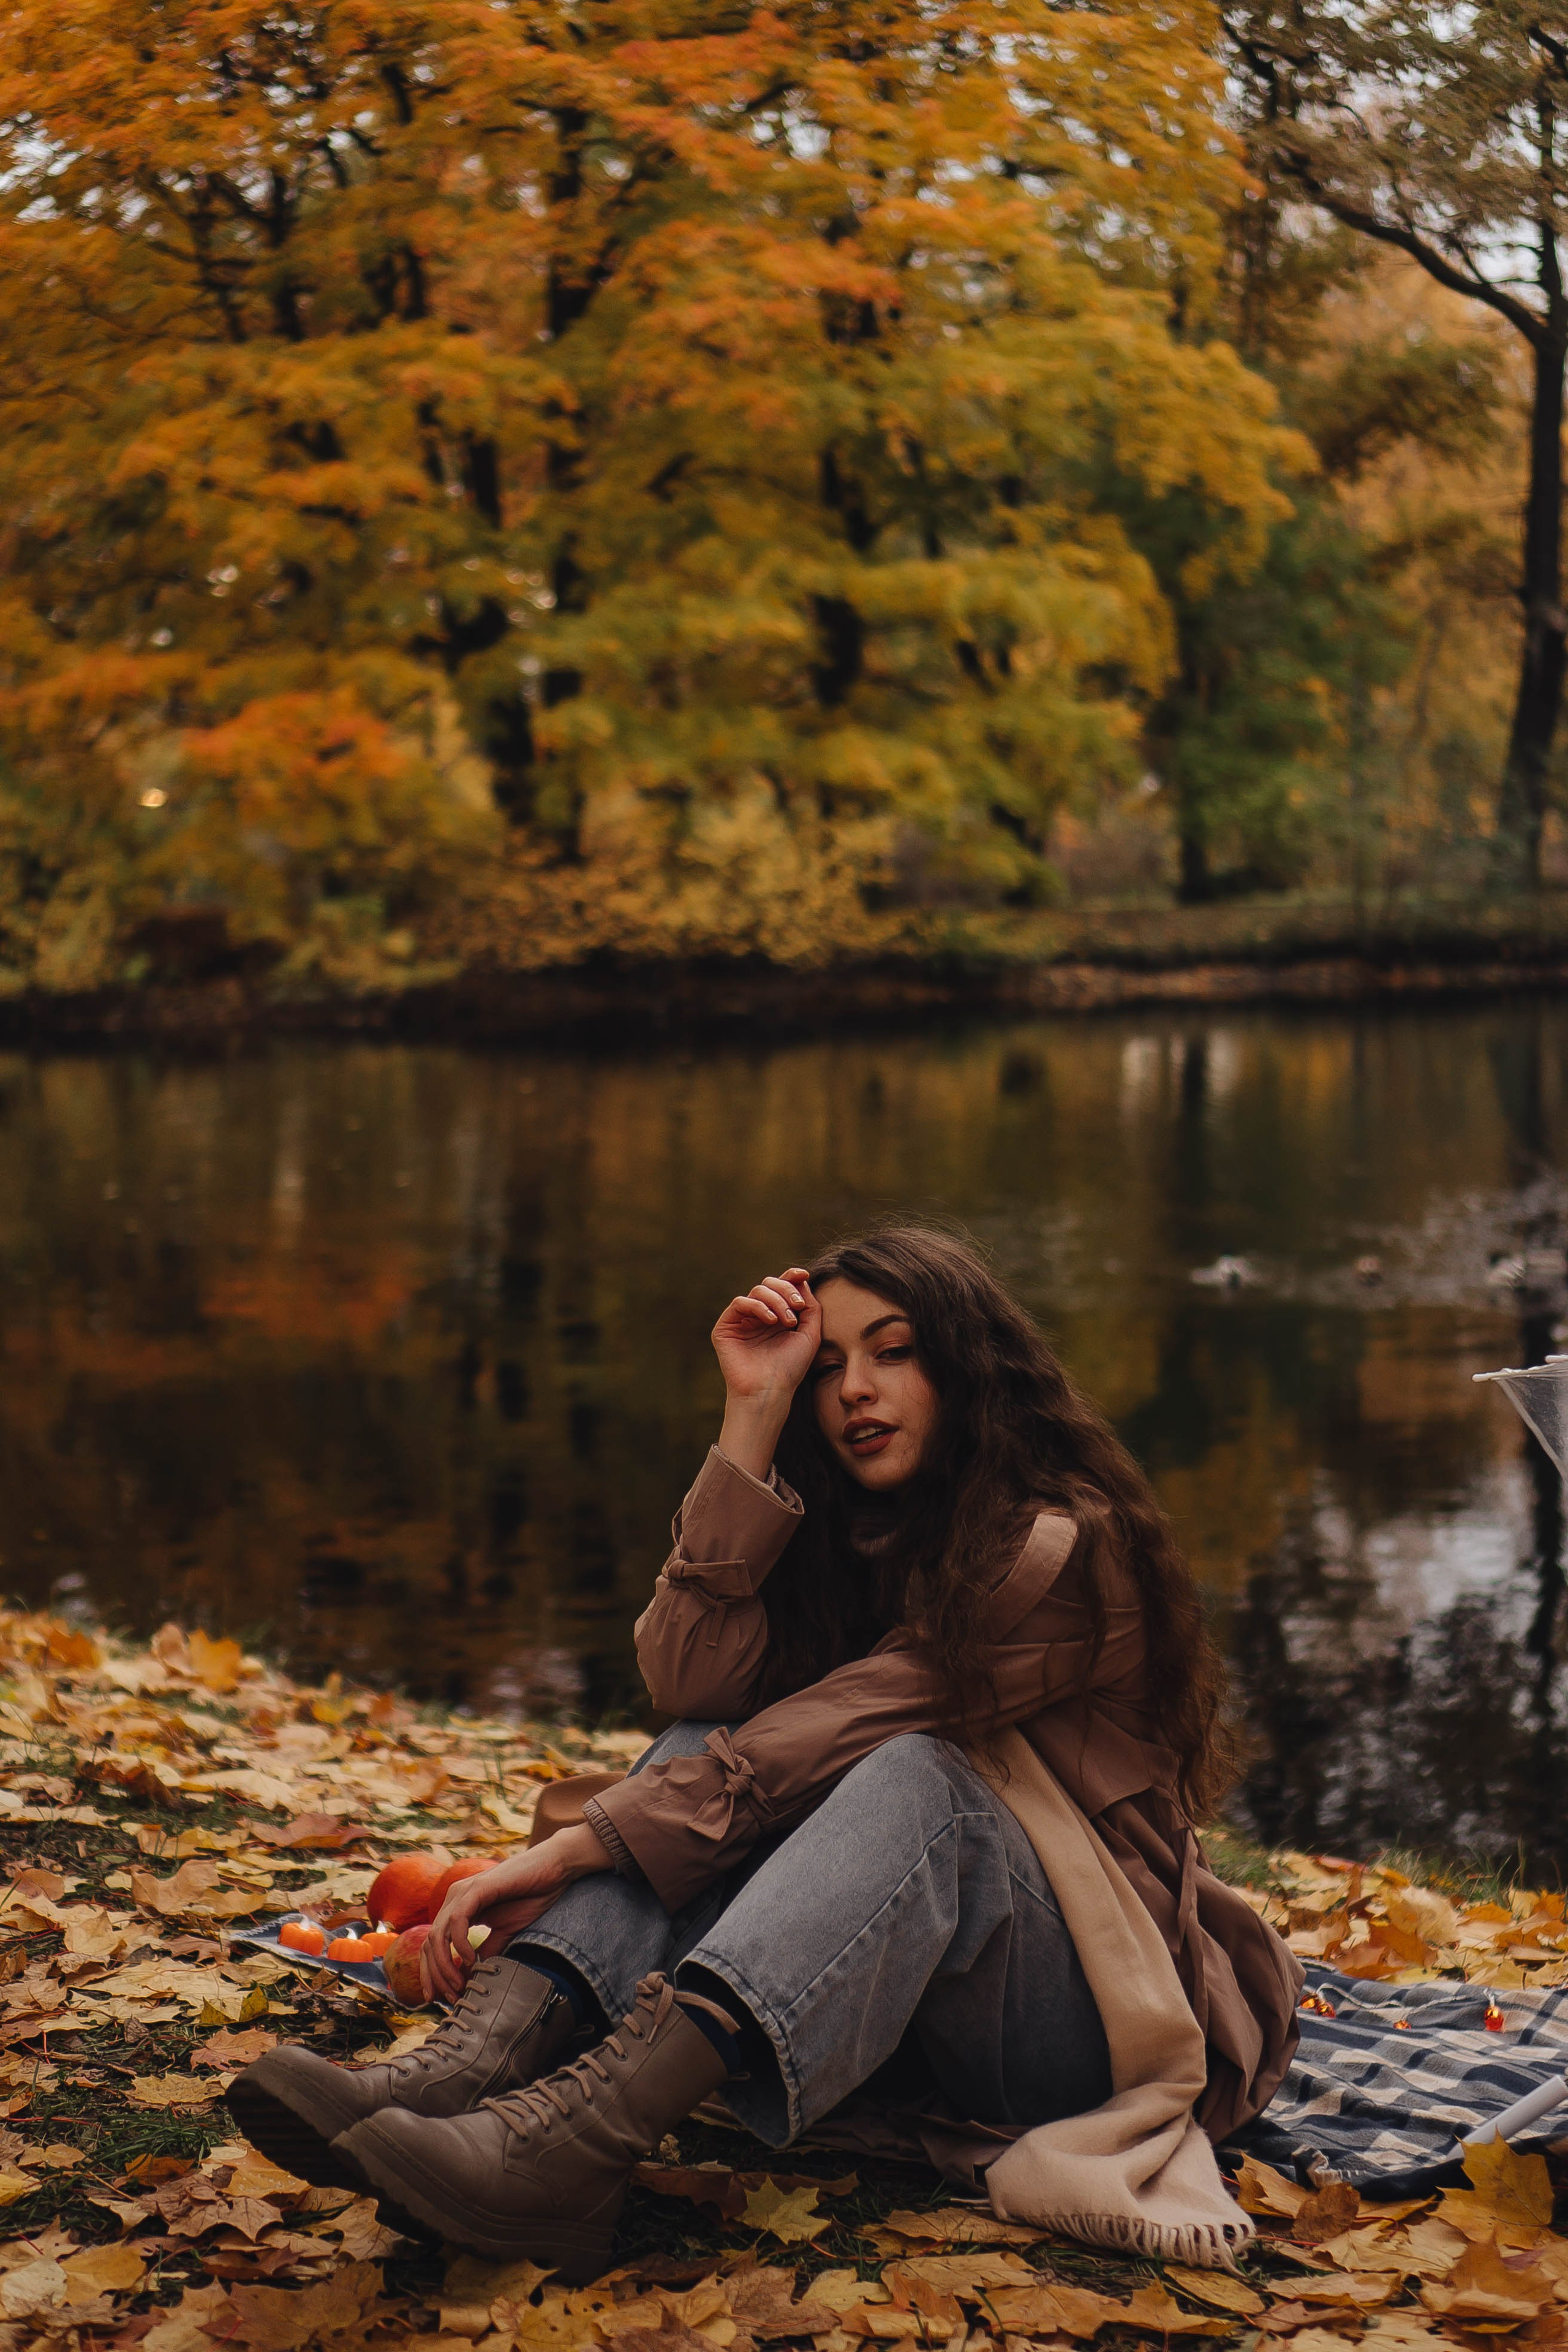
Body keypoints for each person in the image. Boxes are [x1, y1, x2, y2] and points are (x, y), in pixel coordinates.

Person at [227, 1224, 1299, 2280]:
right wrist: (750, 1414)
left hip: (1089, 2020)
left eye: (893, 1351)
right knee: (710, 1742)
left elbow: (855, 1724)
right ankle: (468, 2071)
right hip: (917, 1997)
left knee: (927, 1780)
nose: (853, 1393)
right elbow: (688, 1686)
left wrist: (574, 1851)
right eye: (825, 1368)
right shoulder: (854, 1538)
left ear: (972, 1370)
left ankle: (574, 2149)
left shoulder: (1060, 1545)